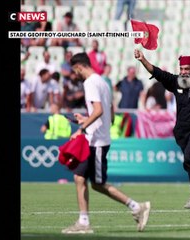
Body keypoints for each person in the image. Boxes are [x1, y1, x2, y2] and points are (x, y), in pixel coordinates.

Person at [61, 52, 150, 234]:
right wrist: (85, 119)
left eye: (74, 70)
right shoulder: (103, 82)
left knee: (94, 182)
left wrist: (82, 128)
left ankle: (134, 207)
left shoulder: (90, 83)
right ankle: (87, 221)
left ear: (79, 67)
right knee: (85, 180)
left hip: (96, 142)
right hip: (97, 138)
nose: (75, 74)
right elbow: (108, 112)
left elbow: (99, 110)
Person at [134, 49, 190, 212]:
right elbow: (158, 73)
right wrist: (143, 60)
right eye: (181, 69)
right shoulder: (177, 82)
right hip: (182, 130)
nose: (183, 72)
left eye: (187, 69)